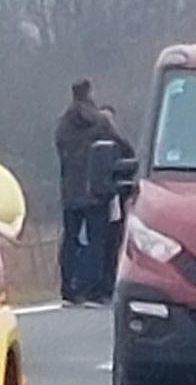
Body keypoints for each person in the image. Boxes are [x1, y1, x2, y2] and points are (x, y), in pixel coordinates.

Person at [54, 79, 113, 306]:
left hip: (70, 190)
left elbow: (61, 152)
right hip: (97, 189)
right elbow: (120, 146)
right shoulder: (101, 122)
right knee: (97, 240)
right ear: (90, 92)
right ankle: (92, 289)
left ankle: (68, 288)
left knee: (70, 238)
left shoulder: (63, 125)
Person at [97, 105, 135, 303]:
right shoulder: (91, 143)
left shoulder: (121, 145)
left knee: (112, 243)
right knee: (105, 243)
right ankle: (102, 284)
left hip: (115, 201)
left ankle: (108, 283)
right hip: (101, 199)